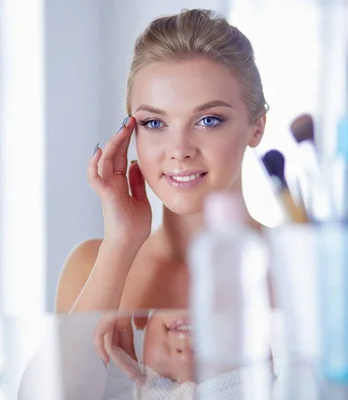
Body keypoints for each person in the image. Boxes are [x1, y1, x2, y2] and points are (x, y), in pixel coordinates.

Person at [55, 8, 268, 314]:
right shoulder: (89, 266)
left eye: (208, 120)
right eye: (154, 123)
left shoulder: (302, 267)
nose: (179, 150)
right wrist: (120, 247)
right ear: (131, 132)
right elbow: (59, 366)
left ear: (257, 127)